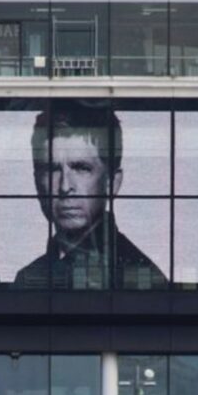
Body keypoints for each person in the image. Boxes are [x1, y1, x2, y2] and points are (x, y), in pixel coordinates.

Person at [14, 102, 166, 290]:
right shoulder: (30, 275)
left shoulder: (140, 276)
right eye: (52, 170)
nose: (65, 186)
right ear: (37, 181)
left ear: (112, 183)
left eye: (81, 169)